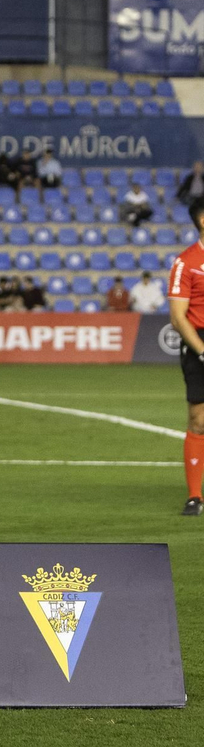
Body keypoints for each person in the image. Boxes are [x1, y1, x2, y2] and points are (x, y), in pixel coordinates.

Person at [167, 199, 204, 515]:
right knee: (199, 418)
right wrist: (203, 351)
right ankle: (195, 496)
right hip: (199, 342)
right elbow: (179, 317)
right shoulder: (186, 263)